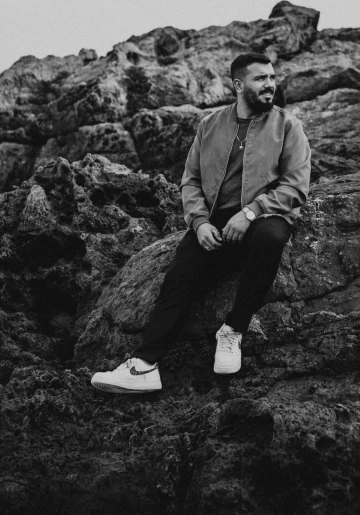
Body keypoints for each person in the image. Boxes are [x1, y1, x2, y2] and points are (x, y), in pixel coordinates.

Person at [91, 53, 311, 393]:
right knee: (179, 276)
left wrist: (250, 212)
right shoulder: (210, 125)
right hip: (215, 223)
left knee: (270, 238)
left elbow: (296, 185)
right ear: (238, 85)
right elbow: (190, 181)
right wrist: (199, 223)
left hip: (265, 215)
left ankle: (233, 330)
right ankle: (144, 365)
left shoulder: (287, 126)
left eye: (271, 77)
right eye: (260, 78)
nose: (270, 84)